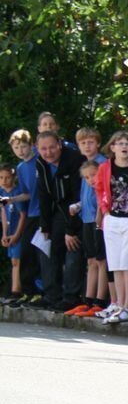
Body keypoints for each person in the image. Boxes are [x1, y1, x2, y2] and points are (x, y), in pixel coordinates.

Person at [95, 130, 128, 324]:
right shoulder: (105, 168)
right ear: (112, 147)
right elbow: (99, 189)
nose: (124, 146)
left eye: (127, 143)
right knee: (116, 264)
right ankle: (118, 304)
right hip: (113, 219)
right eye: (120, 143)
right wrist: (105, 211)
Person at [35, 131, 86, 310]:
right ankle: (52, 295)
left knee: (73, 248)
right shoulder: (41, 163)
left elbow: (77, 196)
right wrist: (44, 225)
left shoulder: (74, 159)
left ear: (60, 145)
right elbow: (43, 195)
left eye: (51, 147)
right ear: (37, 149)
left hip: (77, 211)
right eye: (43, 149)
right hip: (56, 211)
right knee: (46, 247)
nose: (48, 152)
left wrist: (70, 230)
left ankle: (71, 297)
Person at [68, 158, 111, 316]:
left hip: (99, 223)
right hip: (87, 221)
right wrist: (77, 206)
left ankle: (100, 301)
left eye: (93, 175)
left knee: (101, 261)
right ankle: (88, 300)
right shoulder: (87, 187)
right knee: (91, 261)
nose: (90, 180)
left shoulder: (103, 186)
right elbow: (85, 201)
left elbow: (101, 204)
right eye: (86, 177)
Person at [7, 130, 43, 306]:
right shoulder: (20, 168)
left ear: (31, 145)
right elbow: (26, 194)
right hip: (32, 213)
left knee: (42, 254)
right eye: (16, 148)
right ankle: (29, 291)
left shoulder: (40, 160)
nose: (20, 151)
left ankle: (42, 291)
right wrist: (11, 199)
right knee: (26, 253)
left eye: (23, 146)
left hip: (45, 213)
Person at [0, 164, 24, 303]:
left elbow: (23, 215)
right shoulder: (1, 193)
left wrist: (16, 234)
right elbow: (3, 214)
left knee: (17, 260)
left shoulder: (17, 193)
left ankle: (17, 290)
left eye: (7, 177)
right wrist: (4, 234)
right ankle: (14, 289)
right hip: (9, 232)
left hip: (18, 231)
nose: (4, 181)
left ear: (13, 178)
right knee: (13, 260)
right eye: (1, 178)